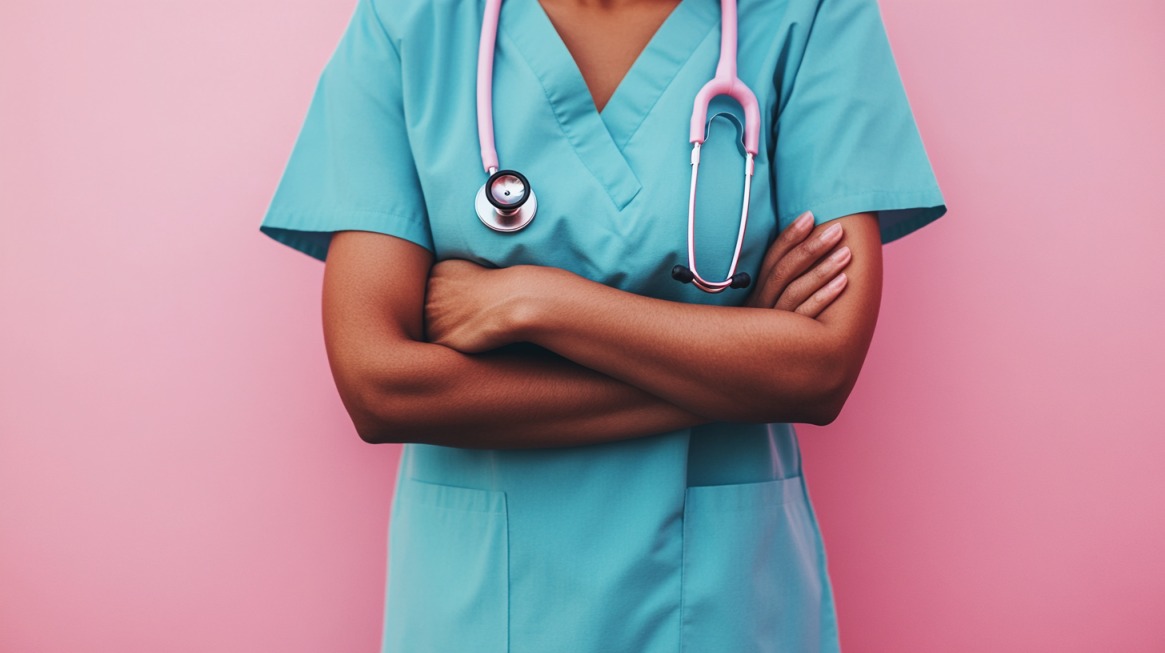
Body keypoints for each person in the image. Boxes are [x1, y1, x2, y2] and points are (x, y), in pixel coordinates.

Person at [258, 0, 947, 648]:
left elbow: (819, 372)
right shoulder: (415, 20)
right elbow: (378, 386)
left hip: (724, 608)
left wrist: (537, 301)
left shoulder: (808, 15)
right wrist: (744, 361)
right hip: (478, 612)